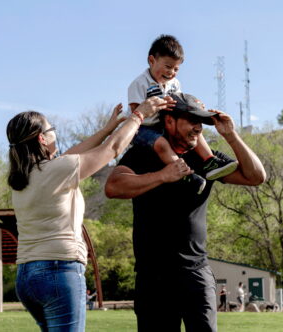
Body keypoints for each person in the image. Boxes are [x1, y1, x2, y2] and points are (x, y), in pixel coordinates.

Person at [6, 96, 172, 331]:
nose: (56, 134)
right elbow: (112, 149)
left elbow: (74, 155)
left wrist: (107, 128)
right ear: (42, 138)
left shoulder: (23, 177)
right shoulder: (58, 170)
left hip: (27, 277)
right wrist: (139, 116)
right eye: (52, 130)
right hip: (58, 271)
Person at [105, 92, 266, 332]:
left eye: (200, 122)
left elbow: (255, 177)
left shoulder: (205, 159)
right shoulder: (144, 152)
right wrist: (162, 176)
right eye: (192, 120)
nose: (198, 128)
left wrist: (230, 135)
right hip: (153, 278)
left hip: (196, 275)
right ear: (169, 121)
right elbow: (113, 186)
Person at [128, 35, 238, 194]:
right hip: (145, 128)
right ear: (152, 61)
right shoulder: (139, 84)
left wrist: (193, 105)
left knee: (194, 128)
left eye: (176, 69)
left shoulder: (175, 84)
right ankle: (183, 173)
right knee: (161, 144)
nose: (171, 72)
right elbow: (135, 114)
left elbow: (181, 104)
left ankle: (210, 161)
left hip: (165, 123)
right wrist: (155, 107)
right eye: (167, 66)